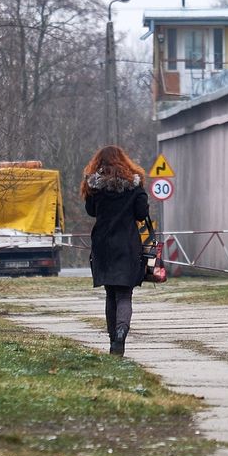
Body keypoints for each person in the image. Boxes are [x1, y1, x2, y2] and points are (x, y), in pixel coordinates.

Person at [81, 145, 150, 356]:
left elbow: (91, 211)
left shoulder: (94, 187)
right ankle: (121, 333)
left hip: (103, 246)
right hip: (128, 245)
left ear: (99, 163)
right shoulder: (135, 186)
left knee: (110, 294)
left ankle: (114, 341)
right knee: (124, 295)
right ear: (124, 161)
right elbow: (141, 214)